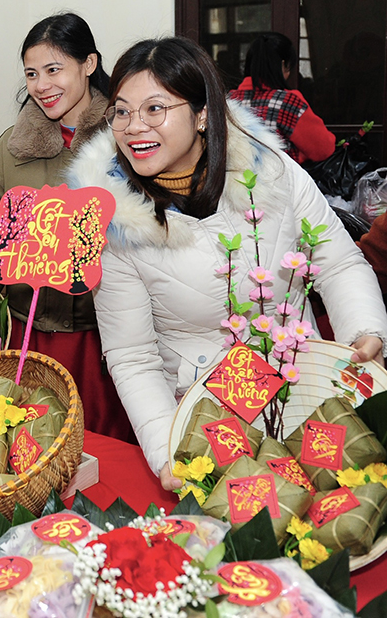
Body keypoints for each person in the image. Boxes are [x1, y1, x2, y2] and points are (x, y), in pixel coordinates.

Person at [67, 37, 387, 490]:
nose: (134, 126)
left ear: (200, 114)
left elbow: (337, 263)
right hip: (208, 419)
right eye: (121, 111)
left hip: (307, 392)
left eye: (155, 109)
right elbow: (133, 355)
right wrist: (168, 450)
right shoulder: (116, 224)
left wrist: (365, 329)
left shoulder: (274, 174)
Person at [0, 13, 132, 441]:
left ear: (89, 64)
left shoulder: (127, 140)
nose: (42, 85)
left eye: (54, 70)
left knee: (103, 452)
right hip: (25, 331)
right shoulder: (10, 148)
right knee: (25, 446)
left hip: (102, 339)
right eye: (32, 74)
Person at [229, 32, 335, 164]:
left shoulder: (230, 101)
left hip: (236, 182)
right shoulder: (288, 102)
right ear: (283, 65)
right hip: (279, 181)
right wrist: (298, 155)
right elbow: (323, 149)